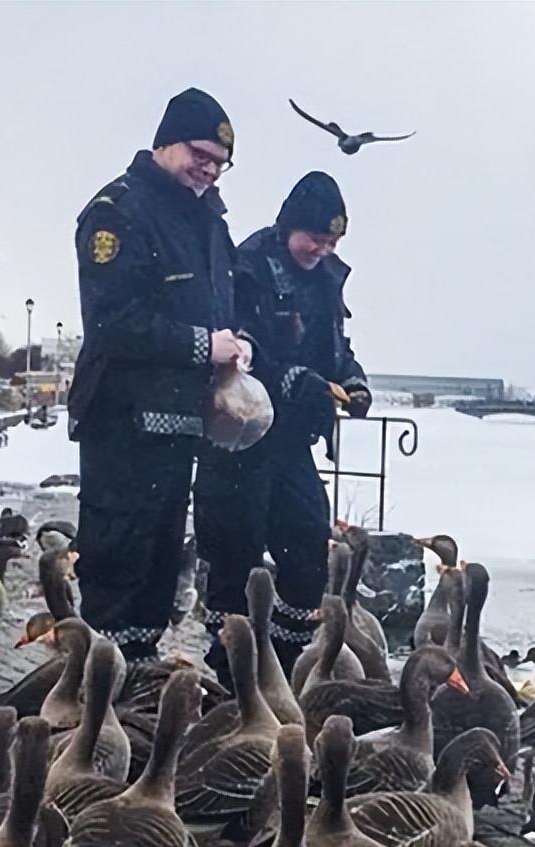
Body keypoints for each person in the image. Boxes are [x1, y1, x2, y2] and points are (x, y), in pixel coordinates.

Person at [68, 87, 250, 663]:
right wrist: (204, 346)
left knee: (160, 561)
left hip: (178, 422)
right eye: (201, 153)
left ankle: (138, 687)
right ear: (166, 142)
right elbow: (113, 323)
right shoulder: (118, 212)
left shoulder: (208, 223)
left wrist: (238, 344)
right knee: (119, 554)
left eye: (220, 163)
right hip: (124, 419)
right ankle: (97, 693)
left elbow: (225, 306)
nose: (210, 169)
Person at [195, 171, 371, 682]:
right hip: (241, 436)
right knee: (236, 552)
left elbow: (331, 348)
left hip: (293, 441)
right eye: (316, 237)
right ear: (290, 225)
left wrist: (350, 379)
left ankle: (284, 668)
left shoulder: (325, 277)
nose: (322, 247)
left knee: (306, 547)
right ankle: (230, 671)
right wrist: (293, 379)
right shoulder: (249, 266)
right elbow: (241, 346)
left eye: (333, 240)